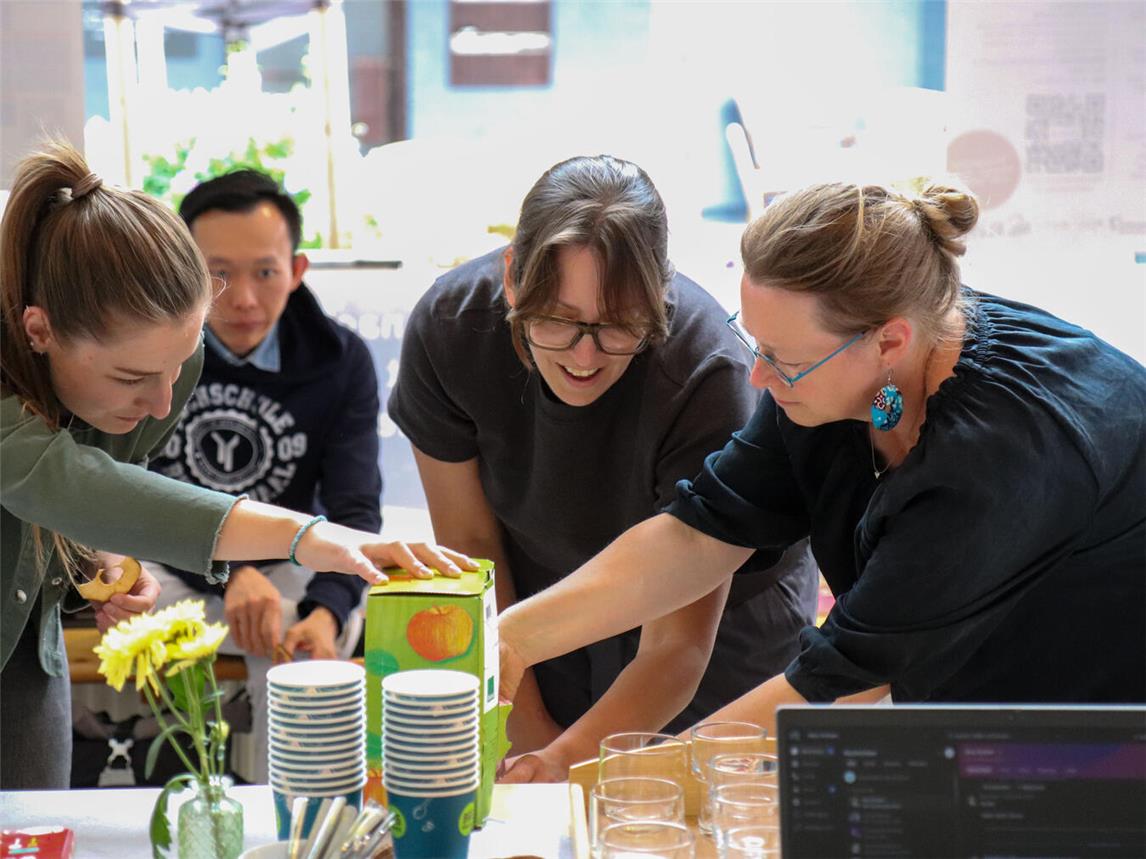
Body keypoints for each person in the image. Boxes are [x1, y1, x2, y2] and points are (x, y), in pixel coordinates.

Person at [496, 180, 1146, 734]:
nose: (760, 379)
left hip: (1101, 744)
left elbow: (841, 681)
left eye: (785, 359)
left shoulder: (998, 456)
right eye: (760, 345)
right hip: (988, 726)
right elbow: (702, 534)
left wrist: (624, 789)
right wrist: (512, 637)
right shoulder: (848, 374)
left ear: (889, 340)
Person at [0, 140, 472, 790]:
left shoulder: (309, 359)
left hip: (27, 651)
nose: (163, 402)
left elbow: (81, 509)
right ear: (39, 330)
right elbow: (82, 485)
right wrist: (310, 535)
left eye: (178, 369)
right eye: (134, 376)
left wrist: (103, 565)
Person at [389, 154, 819, 782]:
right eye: (559, 320)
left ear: (658, 296)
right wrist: (531, 736)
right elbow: (472, 546)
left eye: (619, 324)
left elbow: (676, 646)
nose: (585, 355)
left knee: (676, 806)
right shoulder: (450, 327)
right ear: (512, 279)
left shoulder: (706, 372)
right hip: (540, 609)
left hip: (719, 635)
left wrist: (564, 761)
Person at [140, 170, 381, 782]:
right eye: (217, 273)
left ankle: (295, 805)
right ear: (183, 269)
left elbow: (354, 512)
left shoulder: (340, 359)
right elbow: (128, 494)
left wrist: (326, 614)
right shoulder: (145, 345)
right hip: (170, 557)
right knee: (124, 579)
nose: (242, 298)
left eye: (265, 272)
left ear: (297, 270)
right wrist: (226, 571)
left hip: (287, 556)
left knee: (319, 614)